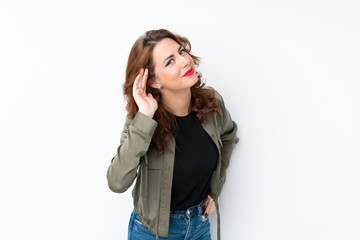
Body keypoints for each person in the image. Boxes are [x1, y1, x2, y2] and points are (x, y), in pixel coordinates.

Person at [106, 29, 239, 240]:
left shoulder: (211, 103)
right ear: (153, 81)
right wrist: (145, 117)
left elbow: (229, 136)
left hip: (200, 225)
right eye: (170, 62)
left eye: (182, 51)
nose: (185, 61)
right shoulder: (142, 120)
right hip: (153, 233)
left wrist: (215, 188)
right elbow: (117, 182)